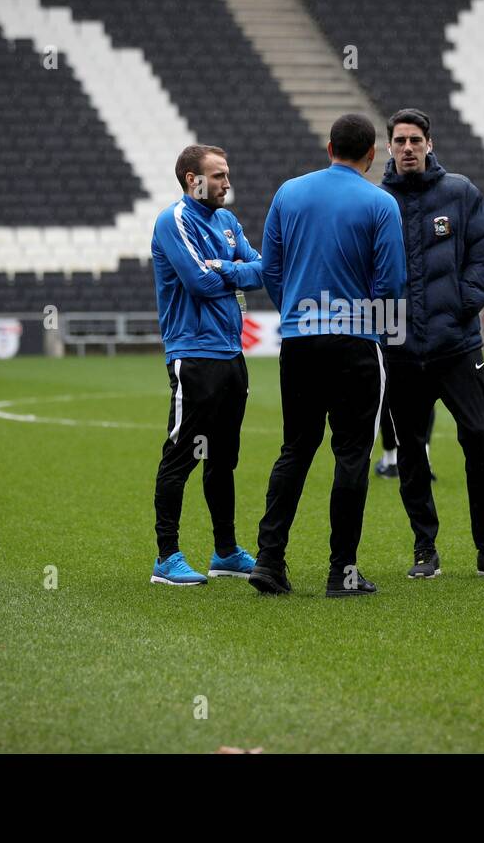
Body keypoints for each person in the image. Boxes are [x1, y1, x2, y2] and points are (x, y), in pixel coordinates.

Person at [248, 114, 406, 598]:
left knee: (295, 448)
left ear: (329, 145)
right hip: (356, 341)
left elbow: (269, 269)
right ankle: (343, 572)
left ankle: (269, 561)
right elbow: (393, 281)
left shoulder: (288, 193)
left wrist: (296, 310)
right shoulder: (382, 203)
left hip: (298, 339)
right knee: (353, 454)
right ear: (371, 154)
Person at [379, 108, 484, 580]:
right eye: (400, 141)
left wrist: (463, 303)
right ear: (389, 148)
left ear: (430, 144)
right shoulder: (377, 202)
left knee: (477, 439)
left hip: (457, 347)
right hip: (401, 351)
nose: (409, 148)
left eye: (416, 140)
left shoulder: (460, 192)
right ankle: (425, 549)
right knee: (411, 450)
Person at [148, 144, 264, 586]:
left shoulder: (228, 221)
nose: (227, 183)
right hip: (194, 356)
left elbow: (265, 270)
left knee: (223, 459)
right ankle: (167, 557)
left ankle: (225, 551)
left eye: (227, 173)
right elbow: (197, 283)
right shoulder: (173, 220)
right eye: (217, 175)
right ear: (191, 179)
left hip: (232, 356)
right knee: (181, 455)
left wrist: (224, 267)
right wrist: (232, 270)